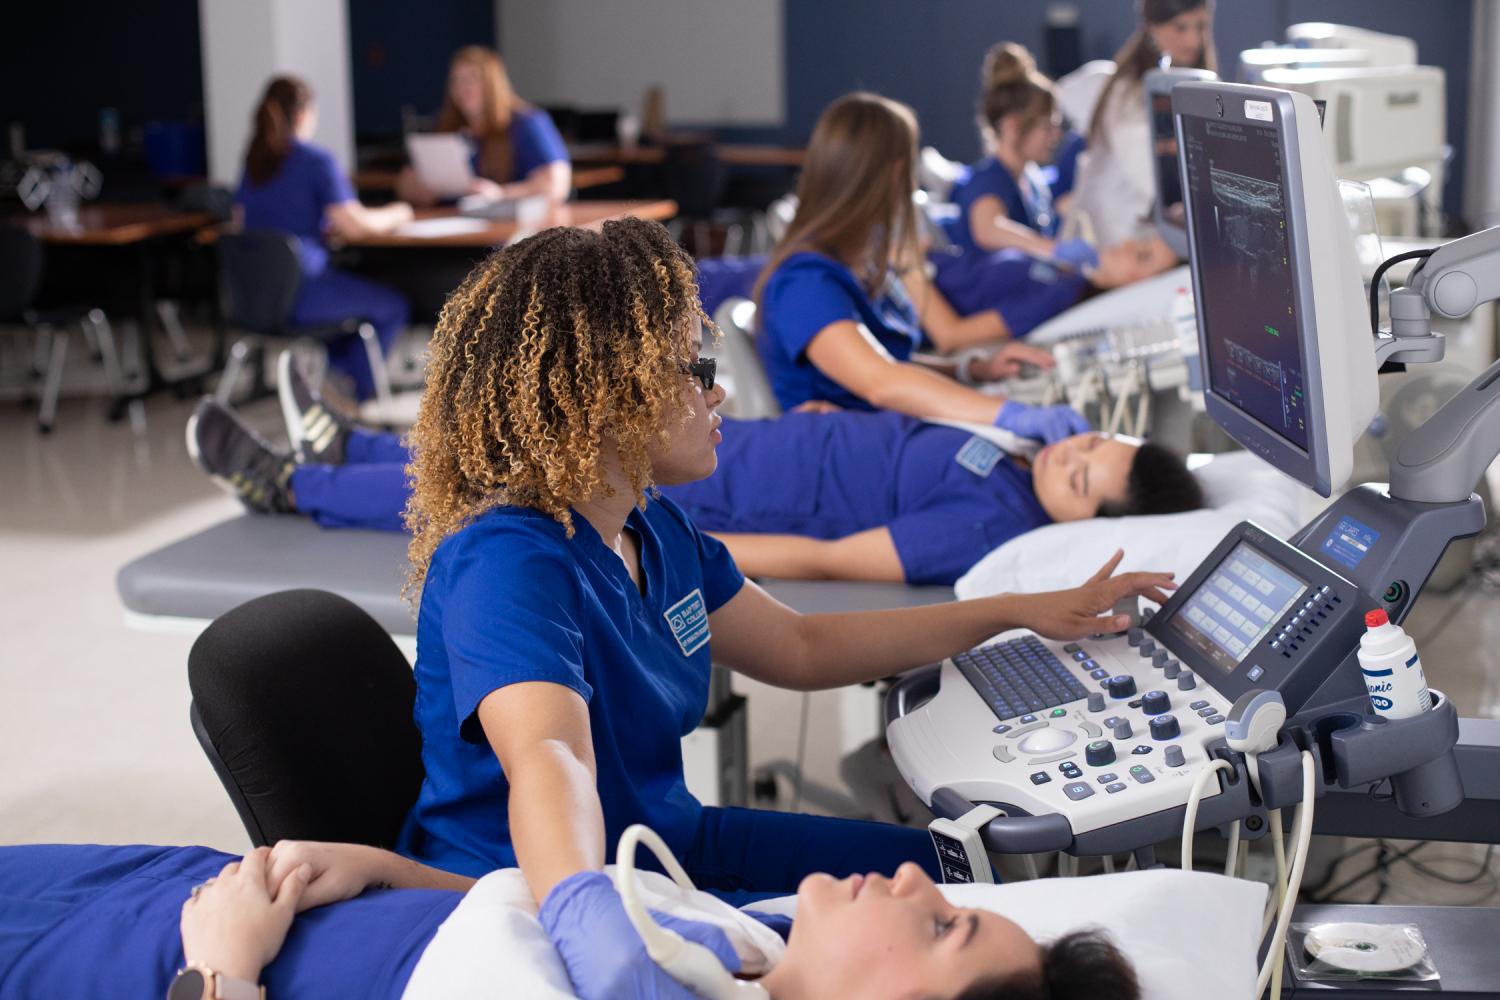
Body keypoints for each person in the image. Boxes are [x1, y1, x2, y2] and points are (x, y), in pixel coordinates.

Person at [376, 219, 1173, 927]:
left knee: (954, 874)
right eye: (695, 368)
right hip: (535, 894)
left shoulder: (652, 529)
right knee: (902, 941)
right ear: (607, 396)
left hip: (664, 846)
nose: (719, 388)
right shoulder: (508, 562)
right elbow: (551, 763)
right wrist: (594, 934)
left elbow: (801, 646)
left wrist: (1017, 610)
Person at [186, 373, 1203, 587]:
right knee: (526, 431)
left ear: (1084, 523)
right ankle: (352, 447)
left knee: (506, 485)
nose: (1068, 459)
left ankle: (295, 486)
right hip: (734, 441)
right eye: (1087, 448)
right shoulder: (1021, 460)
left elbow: (829, 558)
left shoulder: (984, 528)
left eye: (1084, 480)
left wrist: (668, 548)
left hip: (711, 498)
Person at [0, 839, 1140, 1000]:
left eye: (944, 927)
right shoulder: (749, 950)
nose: (912, 874)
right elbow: (526, 926)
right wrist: (383, 868)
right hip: (210, 883)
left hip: (146, 962)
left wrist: (219, 969)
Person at [755, 92, 1137, 440]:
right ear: (892, 176)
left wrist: (973, 370)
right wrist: (1011, 415)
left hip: (885, 432)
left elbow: (889, 358)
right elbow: (880, 380)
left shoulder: (857, 266)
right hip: (845, 449)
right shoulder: (806, 282)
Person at [931, 44, 1175, 336]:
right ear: (1012, 128)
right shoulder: (989, 179)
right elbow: (988, 229)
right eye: (1047, 128)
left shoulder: (1033, 181)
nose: (1055, 137)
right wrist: (1054, 251)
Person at [235, 76, 414, 402]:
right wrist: (399, 213)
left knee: (343, 314)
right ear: (304, 114)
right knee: (392, 305)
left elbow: (242, 222)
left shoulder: (253, 165)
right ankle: (354, 391)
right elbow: (356, 226)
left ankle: (339, 373)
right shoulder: (316, 162)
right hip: (303, 291)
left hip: (256, 298)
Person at [1070, 0, 1216, 249]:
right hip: (1115, 245)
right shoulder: (1128, 95)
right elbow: (1150, 183)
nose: (1193, 40)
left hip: (1157, 237)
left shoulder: (1191, 78)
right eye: (1180, 28)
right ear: (1151, 27)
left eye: (1200, 26)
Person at [395, 46, 571, 207]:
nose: (463, 88)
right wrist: (419, 189)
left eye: (472, 79)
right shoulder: (445, 125)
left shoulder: (527, 122)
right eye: (456, 81)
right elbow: (405, 184)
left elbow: (556, 185)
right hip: (451, 227)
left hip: (509, 230)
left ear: (492, 84)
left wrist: (500, 195)